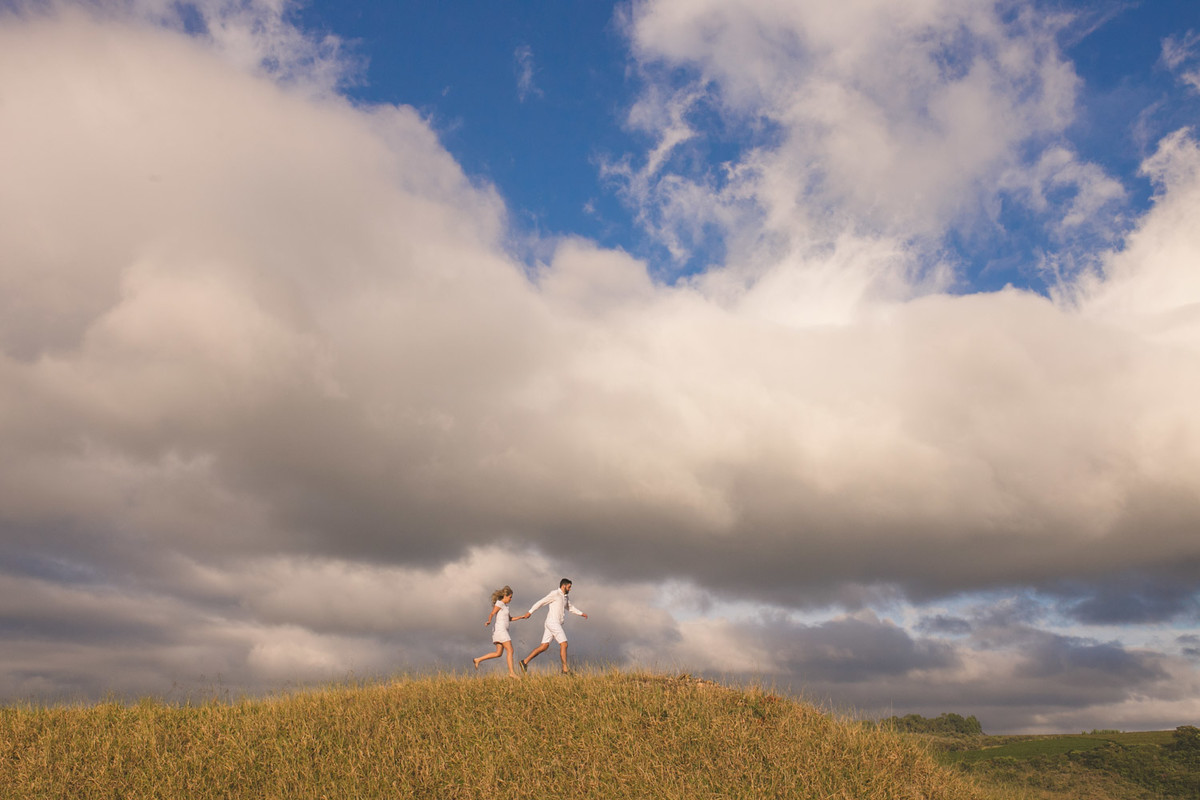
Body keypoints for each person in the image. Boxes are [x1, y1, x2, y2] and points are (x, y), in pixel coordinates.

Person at [519, 578, 587, 674]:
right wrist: (530, 612)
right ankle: (565, 670)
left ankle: (524, 662)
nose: (570, 589)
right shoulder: (555, 594)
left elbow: (570, 607)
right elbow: (541, 602)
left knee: (544, 646)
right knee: (564, 644)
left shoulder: (565, 597)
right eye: (569, 587)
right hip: (552, 622)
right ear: (564, 586)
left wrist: (581, 613)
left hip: (553, 623)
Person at [473, 586, 530, 677]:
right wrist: (489, 620)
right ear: (505, 596)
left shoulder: (506, 607)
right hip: (501, 630)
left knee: (498, 653)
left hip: (500, 631)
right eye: (510, 597)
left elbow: (510, 618)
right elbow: (492, 613)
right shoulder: (499, 603)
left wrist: (521, 617)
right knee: (510, 650)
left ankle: (478, 659)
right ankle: (511, 673)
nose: (511, 599)